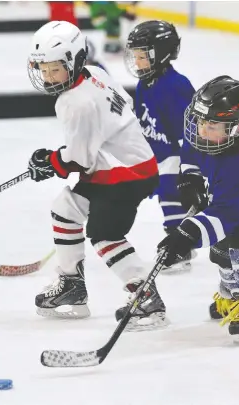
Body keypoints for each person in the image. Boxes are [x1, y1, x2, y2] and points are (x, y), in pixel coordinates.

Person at [26, 20, 167, 330]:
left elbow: (78, 159)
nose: (48, 77)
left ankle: (145, 295)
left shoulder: (74, 102)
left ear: (75, 61)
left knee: (105, 235)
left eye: (55, 69)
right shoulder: (96, 73)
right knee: (65, 208)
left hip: (123, 175)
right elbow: (122, 107)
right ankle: (72, 287)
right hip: (127, 164)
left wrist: (51, 162)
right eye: (44, 69)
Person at [156, 75, 239, 343]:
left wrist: (186, 236)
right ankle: (229, 297)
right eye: (201, 121)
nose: (203, 130)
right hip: (238, 200)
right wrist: (190, 177)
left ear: (236, 129)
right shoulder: (206, 138)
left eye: (213, 125)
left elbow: (226, 215)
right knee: (220, 251)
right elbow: (191, 153)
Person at [125, 20, 196, 274]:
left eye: (143, 56)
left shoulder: (176, 86)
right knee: (163, 190)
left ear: (162, 53)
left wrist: (191, 168)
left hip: (178, 153)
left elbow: (190, 131)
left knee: (170, 190)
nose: (137, 61)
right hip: (157, 151)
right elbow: (143, 119)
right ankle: (180, 238)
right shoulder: (145, 83)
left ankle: (180, 245)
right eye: (136, 55)